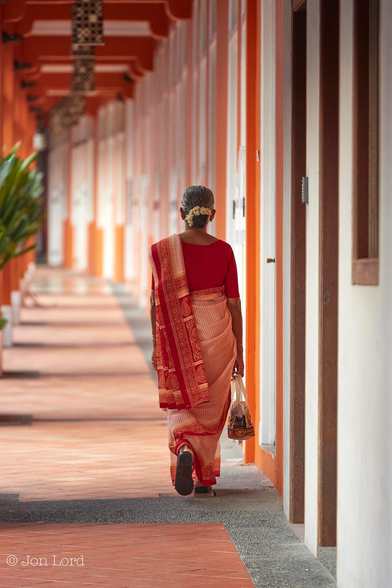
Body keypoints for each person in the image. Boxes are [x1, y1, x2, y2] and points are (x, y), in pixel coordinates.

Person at [148, 185, 244, 496]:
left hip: (178, 337)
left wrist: (156, 343)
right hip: (217, 335)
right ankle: (203, 479)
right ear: (212, 215)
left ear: (181, 214)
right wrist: (239, 349)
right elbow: (233, 304)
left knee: (183, 400)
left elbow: (155, 303)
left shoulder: (161, 251)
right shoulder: (224, 250)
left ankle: (185, 446)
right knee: (212, 405)